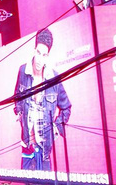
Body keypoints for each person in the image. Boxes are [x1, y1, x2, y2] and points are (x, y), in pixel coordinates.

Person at [13, 29, 72, 172]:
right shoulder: (23, 71)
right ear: (34, 50)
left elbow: (66, 107)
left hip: (45, 148)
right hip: (27, 144)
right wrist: (20, 113)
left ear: (48, 56)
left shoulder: (53, 79)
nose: (40, 59)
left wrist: (56, 128)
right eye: (38, 53)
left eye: (44, 55)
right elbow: (16, 96)